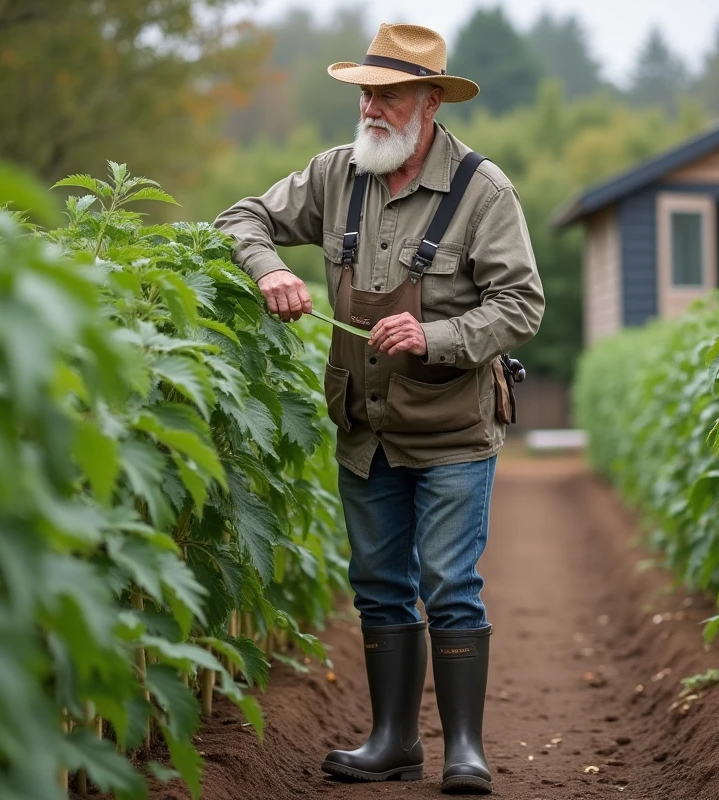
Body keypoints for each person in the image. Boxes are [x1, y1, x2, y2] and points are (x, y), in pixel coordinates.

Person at [213, 22, 545, 795]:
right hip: (364, 427)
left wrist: (436, 335)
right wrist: (269, 273)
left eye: (389, 95)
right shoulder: (337, 174)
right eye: (365, 92)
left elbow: (522, 305)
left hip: (455, 426)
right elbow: (241, 219)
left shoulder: (483, 191)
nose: (371, 108)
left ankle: (464, 748)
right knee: (378, 583)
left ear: (429, 102)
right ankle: (394, 741)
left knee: (449, 581)